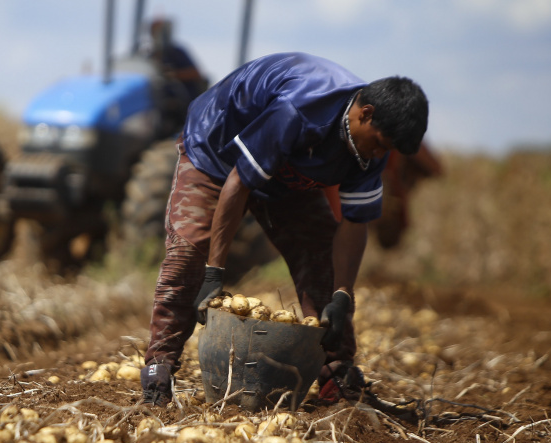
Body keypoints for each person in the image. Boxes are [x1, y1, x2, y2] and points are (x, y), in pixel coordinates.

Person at [140, 52, 429, 407]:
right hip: (217, 156)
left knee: (322, 260)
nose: (378, 154)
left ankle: (337, 374)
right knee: (190, 251)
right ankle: (159, 367)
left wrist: (342, 292)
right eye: (380, 143)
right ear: (364, 113)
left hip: (287, 178)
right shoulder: (299, 110)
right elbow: (238, 183)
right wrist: (214, 272)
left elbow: (354, 222)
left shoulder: (370, 149)